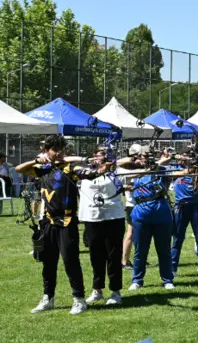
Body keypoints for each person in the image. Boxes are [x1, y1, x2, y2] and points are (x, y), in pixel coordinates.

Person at [16, 135, 101, 315]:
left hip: (67, 221)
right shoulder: (42, 169)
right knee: (48, 262)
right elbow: (19, 169)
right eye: (54, 149)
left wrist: (100, 166)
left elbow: (90, 173)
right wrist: (37, 160)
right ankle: (48, 298)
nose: (59, 152)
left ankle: (79, 299)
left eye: (61, 149)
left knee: (70, 261)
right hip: (47, 222)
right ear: (46, 151)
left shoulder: (70, 167)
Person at [118, 147, 177, 291]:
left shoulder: (161, 170)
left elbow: (178, 172)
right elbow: (118, 164)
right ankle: (137, 280)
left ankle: (167, 279)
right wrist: (137, 162)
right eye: (143, 156)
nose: (146, 159)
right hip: (141, 214)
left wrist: (164, 162)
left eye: (149, 156)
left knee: (164, 249)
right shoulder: (133, 170)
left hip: (161, 214)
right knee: (140, 250)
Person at [79, 146, 126, 306]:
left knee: (113, 255)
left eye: (105, 155)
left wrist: (112, 163)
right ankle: (97, 289)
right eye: (100, 155)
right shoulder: (84, 171)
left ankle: (115, 291)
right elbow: (68, 163)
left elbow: (130, 164)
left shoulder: (116, 170)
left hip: (114, 217)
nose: (102, 158)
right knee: (96, 256)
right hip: (92, 218)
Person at [171, 149, 198, 280]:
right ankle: (173, 268)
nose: (190, 160)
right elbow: (170, 170)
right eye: (187, 157)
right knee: (177, 239)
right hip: (181, 207)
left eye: (192, 158)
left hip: (196, 206)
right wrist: (182, 163)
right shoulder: (176, 168)